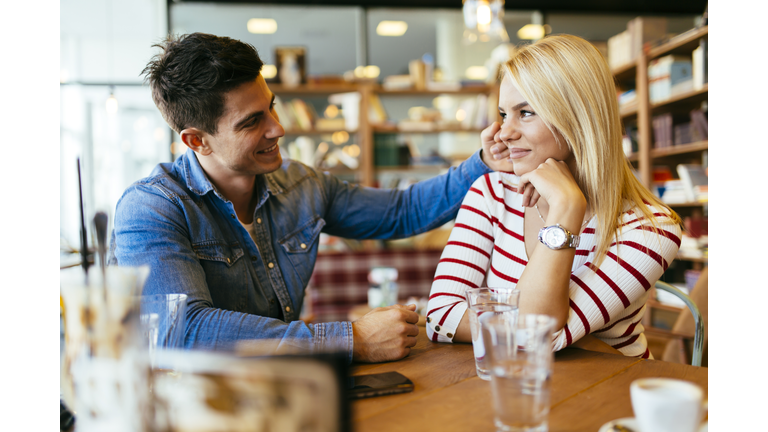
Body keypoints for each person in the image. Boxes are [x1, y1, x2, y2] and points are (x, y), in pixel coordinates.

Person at [107, 33, 510, 364]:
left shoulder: (301, 185)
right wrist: (350, 339)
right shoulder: (150, 209)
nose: (278, 129)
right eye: (252, 122)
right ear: (197, 140)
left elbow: (401, 212)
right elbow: (183, 332)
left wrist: (482, 162)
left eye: (271, 108)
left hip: (282, 397)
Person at [426, 34, 683, 358]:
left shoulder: (652, 230)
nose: (504, 132)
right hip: (513, 388)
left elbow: (538, 336)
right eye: (505, 114)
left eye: (526, 112)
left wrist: (566, 207)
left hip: (608, 397)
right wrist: (520, 328)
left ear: (578, 117)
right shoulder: (491, 193)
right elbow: (440, 318)